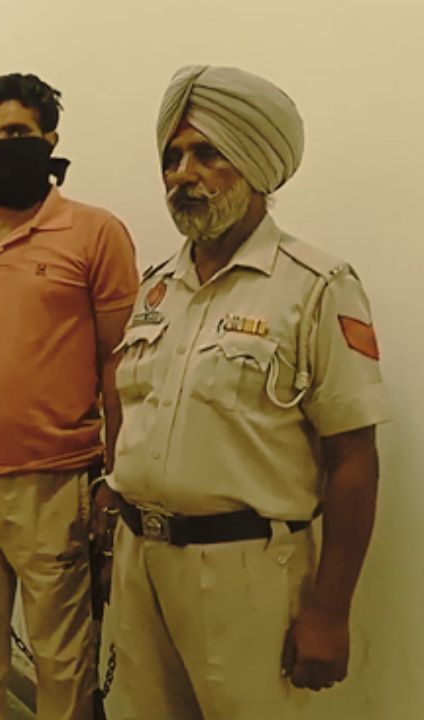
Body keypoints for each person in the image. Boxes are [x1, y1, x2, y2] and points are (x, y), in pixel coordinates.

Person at [100, 65, 389, 720]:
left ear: (257, 166)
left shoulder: (315, 286)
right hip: (140, 563)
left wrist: (330, 612)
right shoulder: (156, 288)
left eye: (207, 153)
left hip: (247, 574)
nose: (182, 174)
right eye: (172, 157)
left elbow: (353, 459)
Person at [0, 74, 139, 720]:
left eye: (17, 132)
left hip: (54, 481)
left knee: (62, 658)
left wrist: (117, 475)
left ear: (50, 138)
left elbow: (120, 363)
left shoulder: (95, 233)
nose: (2, 146)